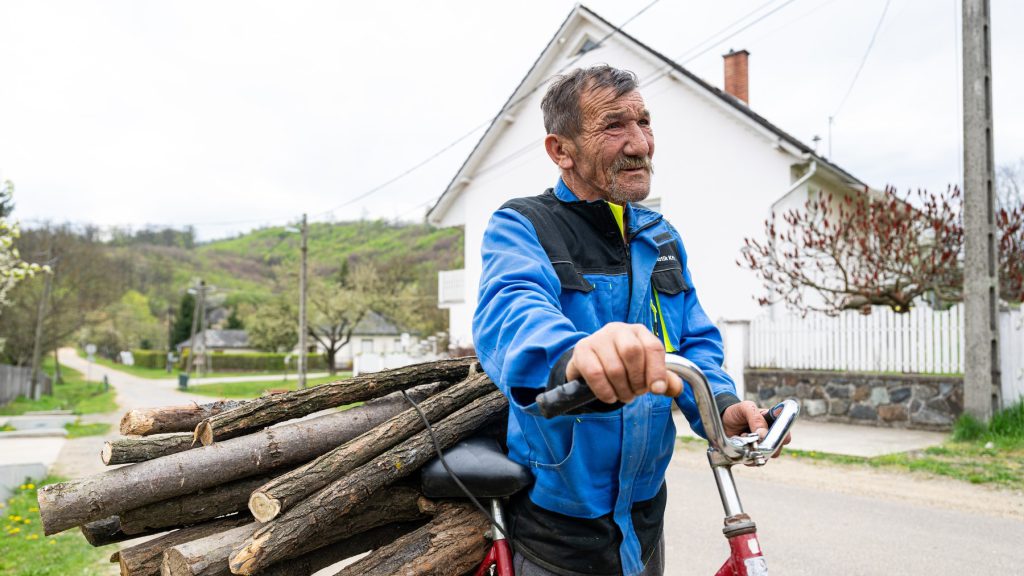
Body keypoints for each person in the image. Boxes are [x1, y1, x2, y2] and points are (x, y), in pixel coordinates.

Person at [472, 65, 788, 576]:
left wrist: (721, 407)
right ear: (561, 150)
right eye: (614, 126)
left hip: (645, 515)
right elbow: (514, 314)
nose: (640, 143)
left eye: (644, 122)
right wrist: (575, 355)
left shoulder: (660, 236)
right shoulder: (523, 225)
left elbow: (693, 341)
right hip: (559, 525)